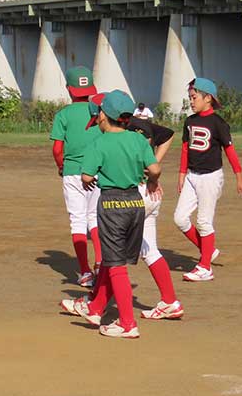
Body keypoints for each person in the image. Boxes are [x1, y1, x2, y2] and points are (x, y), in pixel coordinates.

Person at [62, 97, 184, 322]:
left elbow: (94, 169)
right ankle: (168, 301)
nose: (96, 123)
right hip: (147, 195)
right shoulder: (135, 124)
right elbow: (166, 136)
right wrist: (153, 176)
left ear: (103, 114)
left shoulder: (110, 133)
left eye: (96, 117)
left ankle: (100, 308)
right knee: (147, 251)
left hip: (126, 196)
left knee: (113, 255)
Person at [69, 90, 161, 339]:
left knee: (116, 265)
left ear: (104, 115)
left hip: (111, 204)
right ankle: (96, 308)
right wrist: (152, 181)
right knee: (114, 260)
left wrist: (90, 179)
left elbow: (87, 176)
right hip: (136, 202)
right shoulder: (138, 140)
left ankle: (128, 323)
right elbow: (155, 168)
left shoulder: (99, 143)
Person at [174, 77, 242, 282]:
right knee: (180, 218)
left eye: (194, 97)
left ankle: (205, 267)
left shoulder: (218, 123)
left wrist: (239, 177)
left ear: (208, 98)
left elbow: (230, 151)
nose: (191, 101)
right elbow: (184, 149)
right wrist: (181, 175)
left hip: (210, 177)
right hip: (192, 175)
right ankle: (207, 250)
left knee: (204, 221)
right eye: (190, 97)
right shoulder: (189, 121)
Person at [49, 65, 102, 287]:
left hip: (72, 172)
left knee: (77, 220)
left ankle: (85, 271)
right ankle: (101, 262)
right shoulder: (99, 110)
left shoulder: (63, 114)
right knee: (95, 218)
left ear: (69, 89)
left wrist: (61, 166)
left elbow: (57, 149)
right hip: (98, 172)